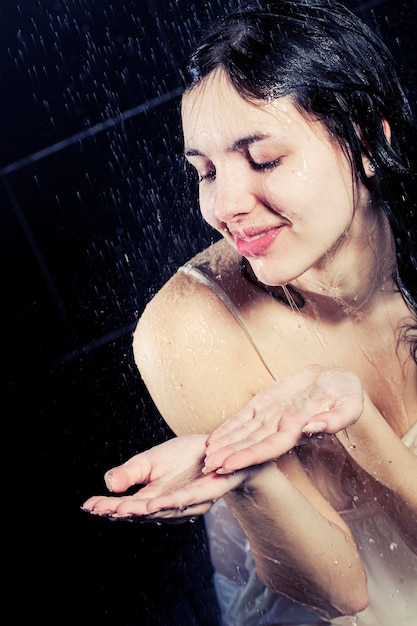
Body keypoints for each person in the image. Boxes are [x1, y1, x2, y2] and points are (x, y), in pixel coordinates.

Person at [82, 1, 417, 624]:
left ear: (368, 141)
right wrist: (249, 473)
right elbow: (340, 593)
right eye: (205, 172)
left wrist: (355, 414)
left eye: (264, 159)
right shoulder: (189, 326)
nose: (225, 204)